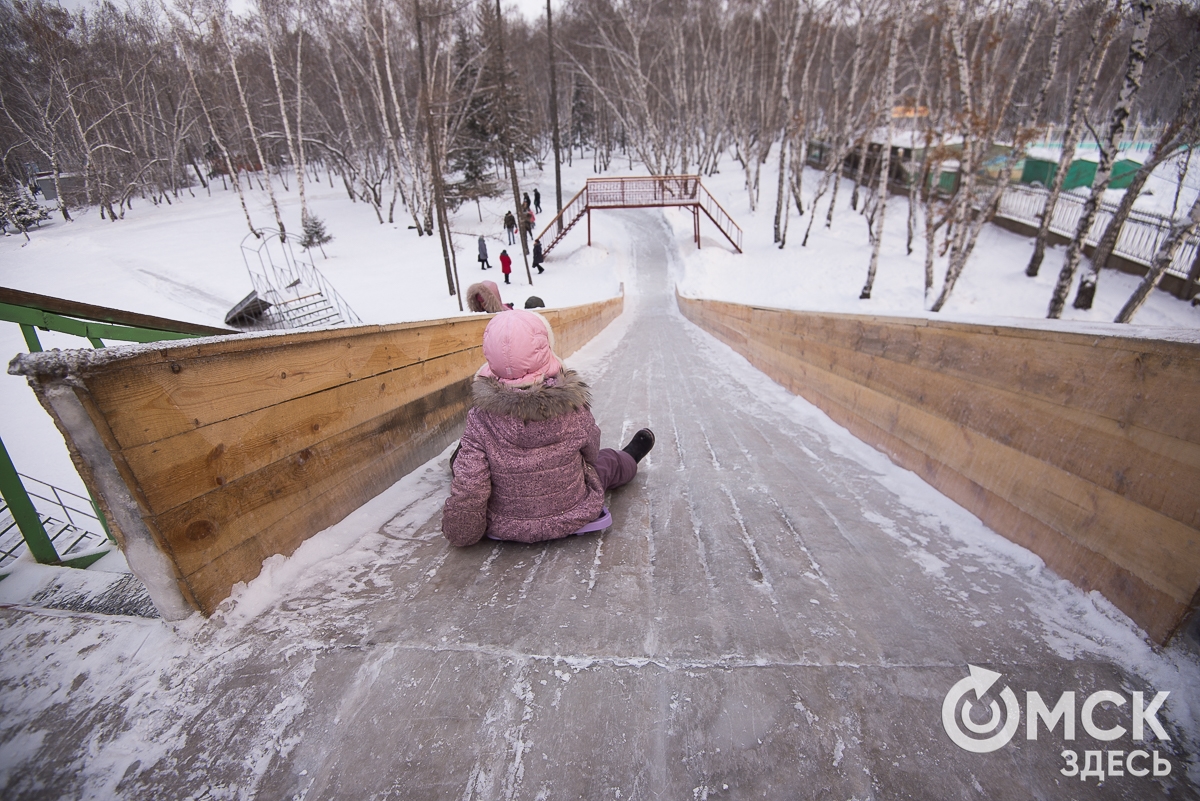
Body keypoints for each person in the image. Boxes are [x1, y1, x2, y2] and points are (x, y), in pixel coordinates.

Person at [442, 309, 655, 546]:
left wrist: (462, 534)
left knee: (469, 467)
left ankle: (458, 460)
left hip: (508, 520)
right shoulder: (572, 406)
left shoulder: (480, 418)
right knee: (606, 463)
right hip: (572, 510)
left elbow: (471, 486)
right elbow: (592, 452)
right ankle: (629, 458)